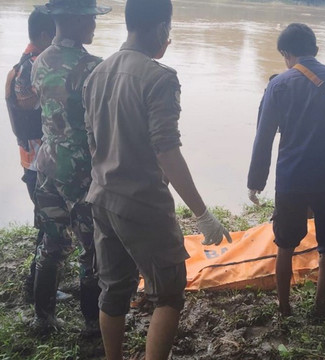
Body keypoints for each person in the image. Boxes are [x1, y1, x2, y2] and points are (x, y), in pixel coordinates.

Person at [83, 0, 231, 358]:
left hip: (101, 197)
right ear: (162, 28)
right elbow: (166, 150)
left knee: (114, 290)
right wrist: (202, 214)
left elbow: (93, 142)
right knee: (169, 293)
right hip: (141, 203)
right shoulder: (159, 77)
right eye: (169, 28)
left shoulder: (96, 74)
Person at [247, 23, 325, 316]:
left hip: (291, 177)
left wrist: (256, 180)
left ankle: (284, 307)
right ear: (315, 50)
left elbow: (264, 135)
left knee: (285, 242)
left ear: (285, 53)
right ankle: (320, 307)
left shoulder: (278, 84)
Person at [29, 0, 111, 334]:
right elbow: (103, 124)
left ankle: (42, 318)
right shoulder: (93, 67)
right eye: (90, 20)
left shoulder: (39, 61)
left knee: (51, 244)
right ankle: (93, 322)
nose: (94, 26)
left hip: (47, 167)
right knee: (91, 249)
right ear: (75, 21)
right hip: (83, 174)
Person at [4, 9, 68, 304]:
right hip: (44, 162)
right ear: (45, 35)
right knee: (50, 231)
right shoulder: (40, 66)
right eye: (55, 34)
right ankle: (38, 293)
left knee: (45, 225)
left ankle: (36, 288)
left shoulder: (15, 69)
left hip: (28, 160)